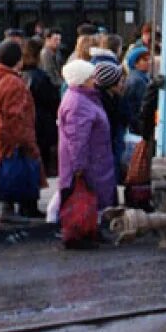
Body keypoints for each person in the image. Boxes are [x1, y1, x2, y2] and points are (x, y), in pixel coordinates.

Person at [56, 57, 115, 237]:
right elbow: (77, 139)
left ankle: (89, 230)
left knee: (91, 198)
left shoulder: (83, 98)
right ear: (82, 80)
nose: (94, 80)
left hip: (94, 159)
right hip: (90, 162)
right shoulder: (78, 103)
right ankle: (81, 231)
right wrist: (79, 166)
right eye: (91, 77)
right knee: (85, 198)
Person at [0, 40, 42, 220]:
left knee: (14, 170)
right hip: (15, 135)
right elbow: (15, 114)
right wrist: (23, 137)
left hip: (5, 132)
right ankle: (10, 210)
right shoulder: (13, 81)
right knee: (16, 171)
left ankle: (20, 207)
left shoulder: (0, 77)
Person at [21, 38, 61, 177]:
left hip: (26, 122)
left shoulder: (19, 75)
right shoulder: (40, 77)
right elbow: (51, 100)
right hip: (42, 121)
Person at [92, 60, 128, 189]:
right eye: (120, 81)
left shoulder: (114, 97)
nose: (123, 84)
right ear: (111, 84)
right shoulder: (102, 101)